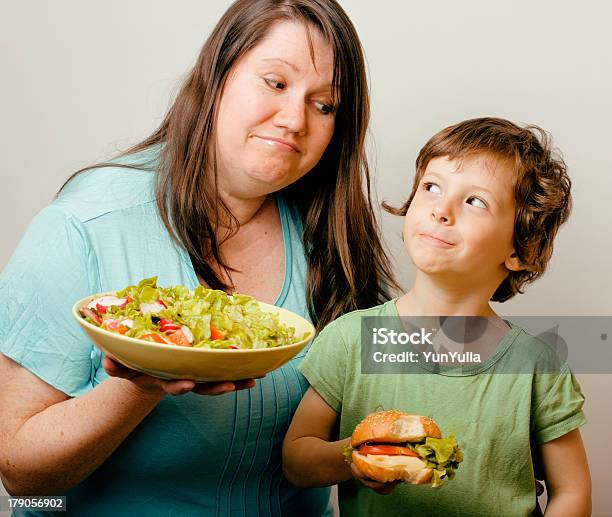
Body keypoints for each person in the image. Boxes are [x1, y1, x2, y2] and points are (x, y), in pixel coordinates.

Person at [0, 1, 397, 515]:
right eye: (276, 83)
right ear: (216, 75)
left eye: (324, 105)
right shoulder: (86, 224)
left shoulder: (332, 235)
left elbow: (407, 381)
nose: (295, 119)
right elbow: (22, 477)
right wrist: (142, 384)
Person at [282, 117, 592, 516]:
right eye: (431, 187)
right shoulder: (350, 339)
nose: (441, 211)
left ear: (520, 248)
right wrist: (358, 456)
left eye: (475, 201)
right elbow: (297, 458)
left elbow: (572, 491)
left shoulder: (537, 367)